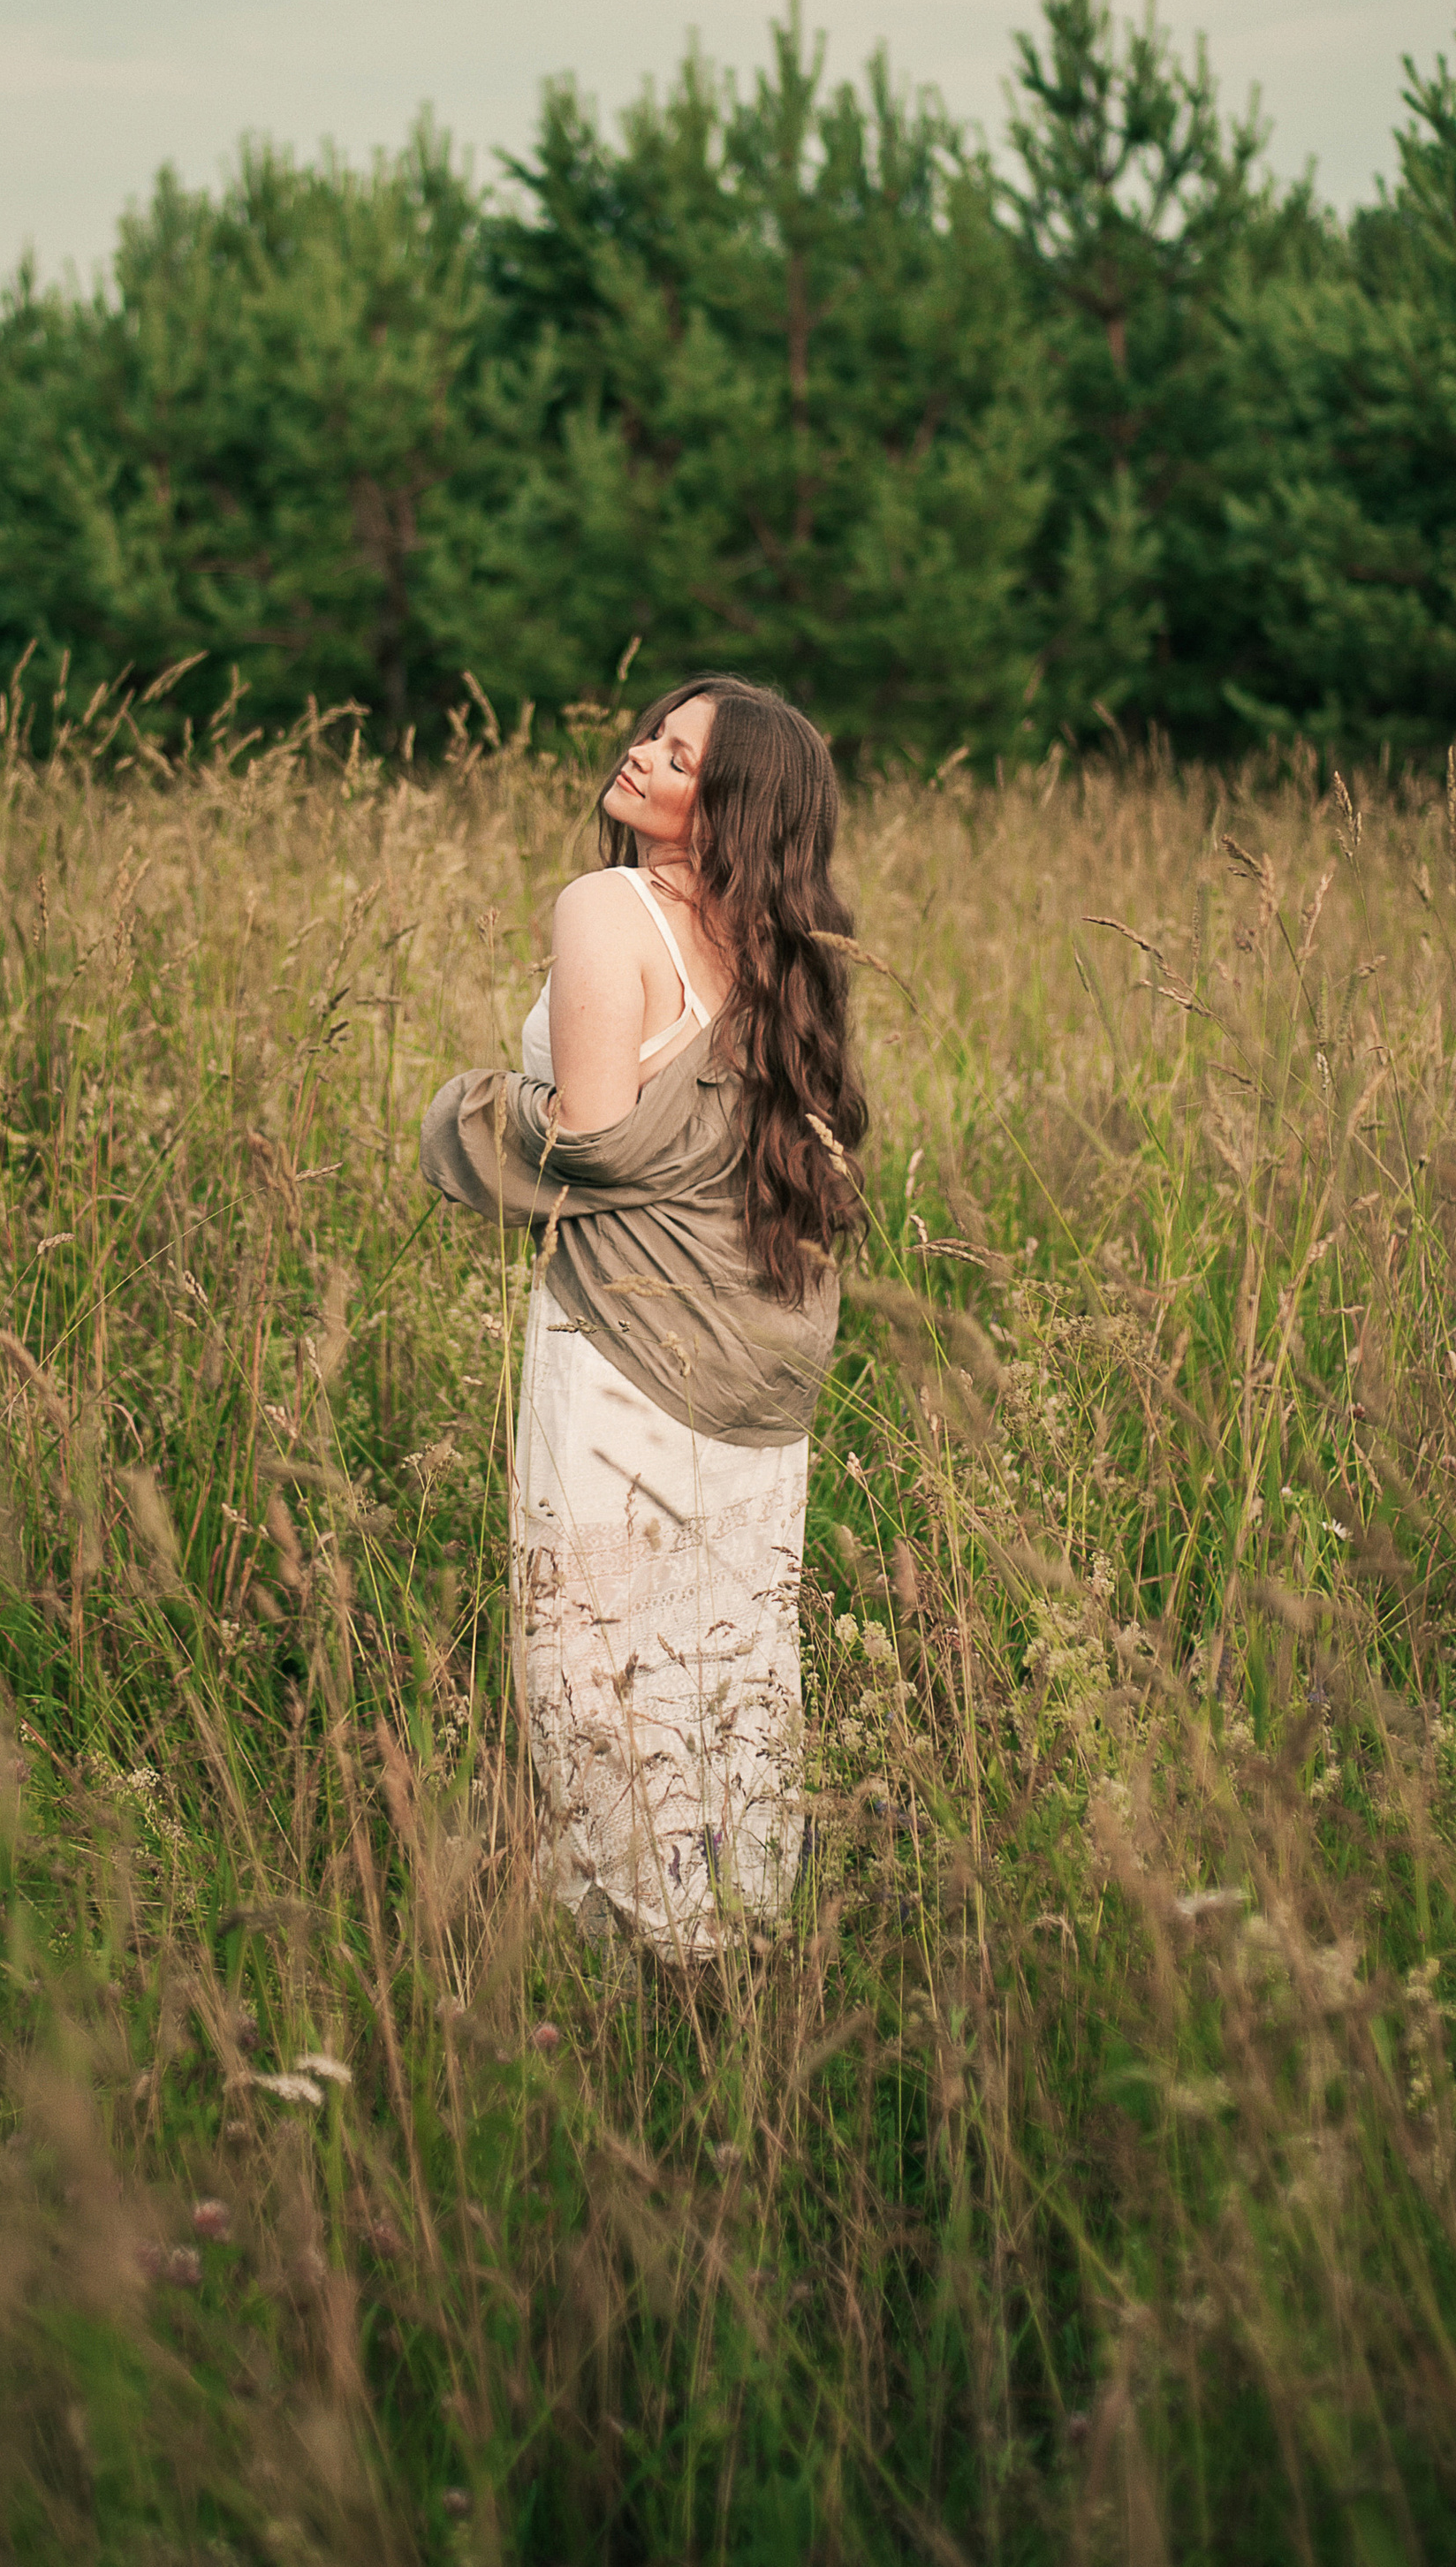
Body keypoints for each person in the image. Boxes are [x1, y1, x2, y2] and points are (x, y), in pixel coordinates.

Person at [419, 675, 867, 1958]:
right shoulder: (784, 950)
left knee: (592, 1662)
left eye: (679, 759)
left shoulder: (606, 904)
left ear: (729, 810)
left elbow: (596, 1139)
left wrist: (469, 1117)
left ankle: (646, 1961)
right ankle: (736, 1933)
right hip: (760, 1348)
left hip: (626, 1337)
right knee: (725, 1661)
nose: (642, 757)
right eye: (654, 737)